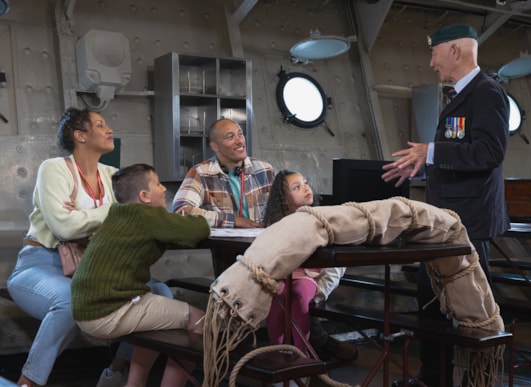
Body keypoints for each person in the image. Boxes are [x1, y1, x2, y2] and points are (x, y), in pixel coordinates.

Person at [381, 23, 510, 387]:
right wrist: (426, 160)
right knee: (430, 302)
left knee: (474, 311)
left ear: (454, 51)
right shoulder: (457, 97)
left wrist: (431, 151)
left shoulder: (488, 93)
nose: (431, 62)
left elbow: (490, 152)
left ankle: (479, 379)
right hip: (444, 223)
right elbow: (462, 151)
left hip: (470, 223)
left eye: (434, 52)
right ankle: (433, 377)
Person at [6, 107, 118, 387]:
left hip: (90, 268)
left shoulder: (113, 175)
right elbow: (64, 228)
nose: (109, 130)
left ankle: (119, 373)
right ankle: (27, 383)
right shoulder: (54, 169)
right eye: (101, 125)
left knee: (156, 291)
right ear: (79, 135)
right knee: (70, 301)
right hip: (39, 263)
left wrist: (82, 217)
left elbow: (139, 214)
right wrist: (114, 210)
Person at [71, 163, 210, 387]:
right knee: (201, 318)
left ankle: (134, 384)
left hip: (87, 308)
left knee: (157, 319)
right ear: (144, 196)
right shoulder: (147, 215)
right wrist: (194, 218)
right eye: (157, 184)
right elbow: (197, 230)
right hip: (108, 311)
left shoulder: (119, 213)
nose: (164, 189)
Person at [263, 170, 359, 361]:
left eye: (305, 183)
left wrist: (321, 291)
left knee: (299, 297)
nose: (306, 188)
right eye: (296, 187)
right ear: (284, 199)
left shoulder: (321, 220)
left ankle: (302, 356)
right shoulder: (277, 225)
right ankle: (279, 356)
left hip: (308, 277)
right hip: (283, 276)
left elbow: (335, 260)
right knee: (275, 302)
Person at [172, 118, 274, 228]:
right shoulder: (200, 173)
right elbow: (181, 212)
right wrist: (232, 221)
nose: (240, 141)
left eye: (240, 134)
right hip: (224, 245)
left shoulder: (265, 170)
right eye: (230, 137)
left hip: (263, 243)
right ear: (215, 146)